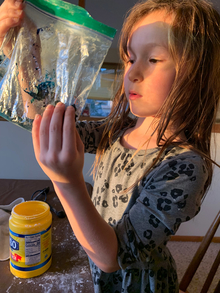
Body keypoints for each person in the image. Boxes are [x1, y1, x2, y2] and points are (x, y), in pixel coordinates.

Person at [1, 0, 220, 292]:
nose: (132, 73)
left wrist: (67, 181)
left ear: (198, 74)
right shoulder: (121, 128)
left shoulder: (185, 167)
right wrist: (24, 51)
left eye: (153, 59)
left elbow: (113, 257)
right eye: (130, 59)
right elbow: (45, 121)